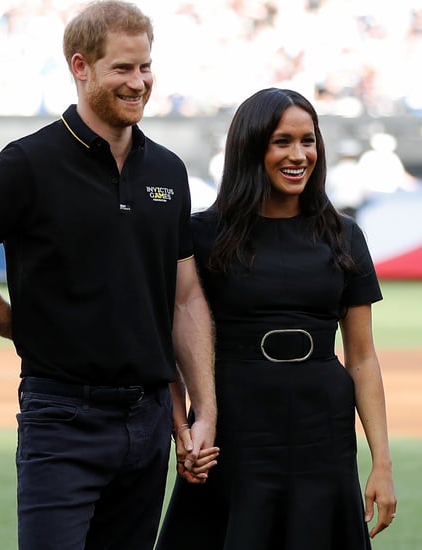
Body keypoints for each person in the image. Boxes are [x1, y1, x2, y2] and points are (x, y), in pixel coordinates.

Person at [0, 2, 216, 549]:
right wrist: (25, 328)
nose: (139, 83)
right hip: (62, 418)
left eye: (145, 67)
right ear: (80, 67)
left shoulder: (168, 171)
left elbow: (186, 297)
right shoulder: (28, 163)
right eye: (122, 69)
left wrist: (205, 410)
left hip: (149, 420)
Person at [156, 87, 397, 550]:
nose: (299, 155)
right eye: (282, 141)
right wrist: (182, 431)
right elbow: (168, 345)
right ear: (251, 147)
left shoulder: (345, 235)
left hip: (322, 429)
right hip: (233, 428)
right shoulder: (199, 235)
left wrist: (381, 463)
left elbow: (363, 358)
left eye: (308, 141)